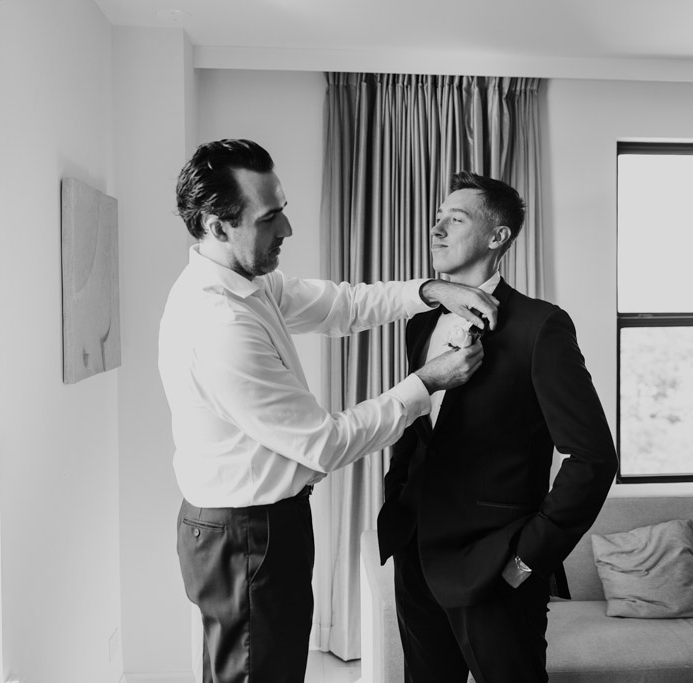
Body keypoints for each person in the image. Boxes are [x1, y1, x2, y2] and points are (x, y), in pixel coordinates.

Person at [158, 139, 500, 683]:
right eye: (270, 218)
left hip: (257, 525)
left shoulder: (249, 283)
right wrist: (427, 383)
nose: (287, 230)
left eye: (284, 210)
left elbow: (342, 304)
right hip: (247, 534)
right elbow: (325, 442)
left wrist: (431, 290)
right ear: (217, 225)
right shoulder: (220, 326)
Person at [377, 172, 619, 682]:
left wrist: (527, 560)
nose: (436, 229)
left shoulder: (541, 326)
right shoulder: (421, 322)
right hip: (416, 554)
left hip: (495, 567)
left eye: (455, 218)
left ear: (497, 236)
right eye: (437, 217)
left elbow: (592, 458)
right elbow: (420, 430)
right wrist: (398, 502)